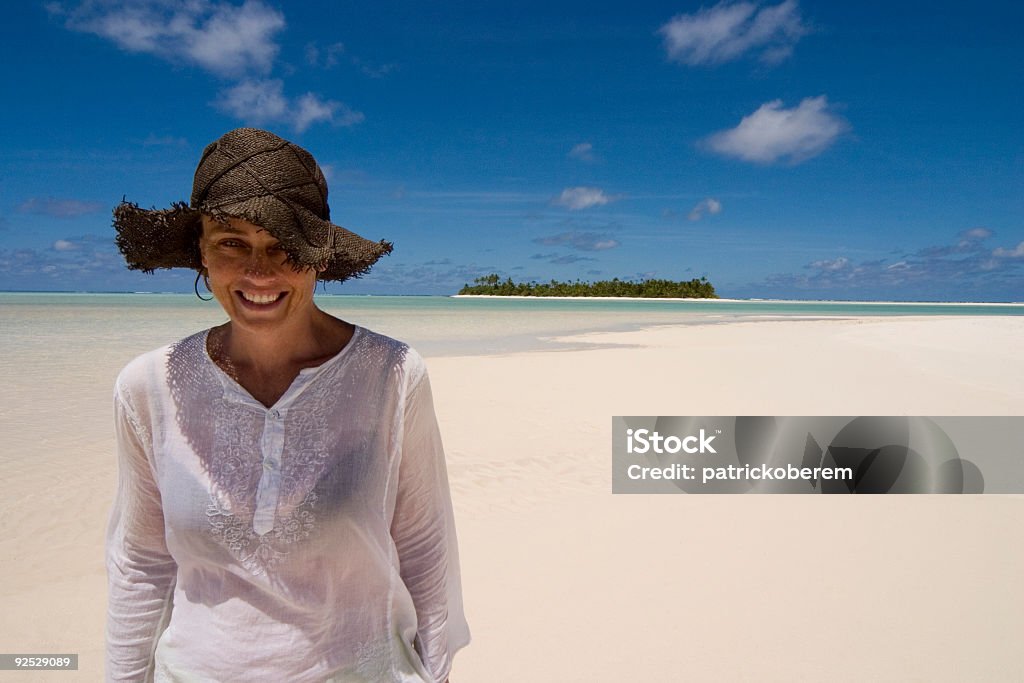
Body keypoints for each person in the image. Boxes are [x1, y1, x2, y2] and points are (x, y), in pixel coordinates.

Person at [106, 128, 469, 682]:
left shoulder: (392, 375)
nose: (260, 271)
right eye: (232, 242)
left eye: (284, 245)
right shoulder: (147, 386)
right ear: (200, 252)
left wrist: (438, 675)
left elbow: (423, 548)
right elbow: (141, 564)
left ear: (319, 255)